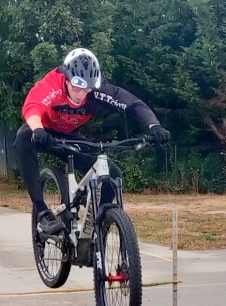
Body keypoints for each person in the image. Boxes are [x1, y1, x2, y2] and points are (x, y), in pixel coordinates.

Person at [15, 48, 170, 236]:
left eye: (86, 89)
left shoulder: (97, 90)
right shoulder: (53, 83)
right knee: (23, 137)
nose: (80, 94)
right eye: (76, 87)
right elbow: (32, 106)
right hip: (43, 131)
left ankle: (95, 228)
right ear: (66, 78)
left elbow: (133, 104)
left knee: (113, 176)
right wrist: (38, 129)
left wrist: (154, 127)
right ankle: (42, 211)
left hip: (71, 136)